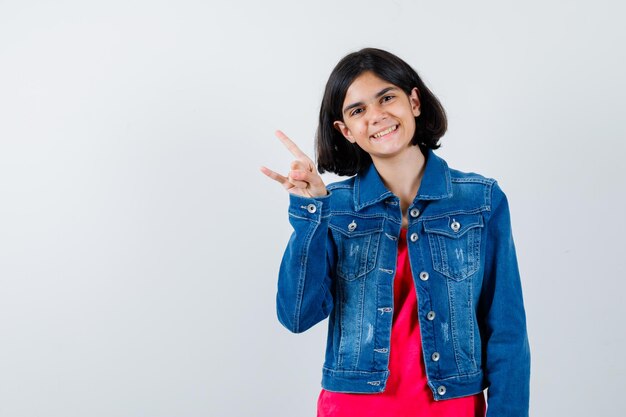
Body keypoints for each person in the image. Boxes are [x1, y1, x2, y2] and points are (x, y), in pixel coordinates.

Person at [260, 48, 530, 417]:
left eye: (386, 98)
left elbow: (508, 333)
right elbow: (296, 316)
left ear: (414, 101)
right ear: (346, 131)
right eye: (358, 111)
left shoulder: (480, 201)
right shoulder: (333, 207)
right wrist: (310, 214)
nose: (377, 116)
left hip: (452, 408)